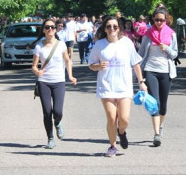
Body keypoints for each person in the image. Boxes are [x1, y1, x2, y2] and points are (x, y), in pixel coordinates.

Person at [88, 16, 145, 157]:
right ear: (105, 29)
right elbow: (91, 65)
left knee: (124, 119)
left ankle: (121, 132)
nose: (112, 29)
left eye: (115, 26)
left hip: (124, 86)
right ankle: (112, 146)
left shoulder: (126, 42)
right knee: (112, 118)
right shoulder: (99, 44)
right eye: (109, 26)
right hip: (106, 86)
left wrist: (141, 82)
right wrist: (98, 65)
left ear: (119, 28)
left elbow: (135, 63)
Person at [31, 19, 77, 149]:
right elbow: (34, 66)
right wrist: (37, 72)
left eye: (52, 27)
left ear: (56, 29)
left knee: (58, 111)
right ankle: (50, 138)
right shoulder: (39, 46)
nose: (50, 29)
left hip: (59, 81)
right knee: (47, 112)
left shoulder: (61, 44)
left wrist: (70, 76)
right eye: (47, 27)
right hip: (44, 82)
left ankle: (57, 123)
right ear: (43, 30)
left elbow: (67, 61)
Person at [138, 7, 179, 147]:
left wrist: (166, 48)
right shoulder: (147, 34)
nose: (159, 22)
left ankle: (160, 126)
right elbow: (140, 53)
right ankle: (156, 134)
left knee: (163, 105)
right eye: (156, 20)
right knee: (154, 102)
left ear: (166, 19)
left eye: (161, 20)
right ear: (153, 20)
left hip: (166, 71)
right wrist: (138, 73)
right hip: (150, 70)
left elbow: (175, 54)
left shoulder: (171, 34)